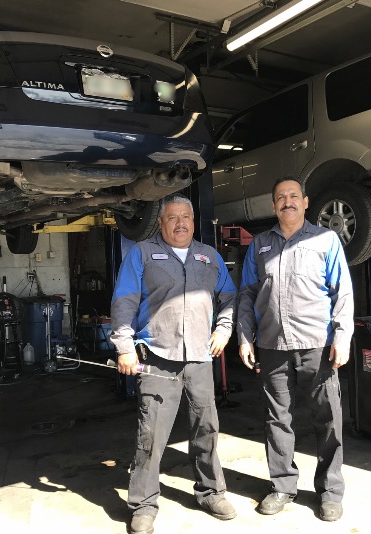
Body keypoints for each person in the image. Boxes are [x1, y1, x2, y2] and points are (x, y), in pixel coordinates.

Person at [111, 194, 238, 534]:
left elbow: (229, 295)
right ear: (160, 222)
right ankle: (143, 504)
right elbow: (124, 301)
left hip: (200, 356)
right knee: (151, 434)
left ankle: (211, 492)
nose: (180, 223)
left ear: (194, 222)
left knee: (206, 428)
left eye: (186, 217)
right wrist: (124, 347)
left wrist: (224, 329)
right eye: (173, 217)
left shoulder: (209, 256)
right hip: (157, 356)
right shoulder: (141, 253)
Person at [236, 176, 354, 522]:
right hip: (272, 344)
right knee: (277, 419)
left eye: (293, 196)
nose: (286, 202)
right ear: (274, 205)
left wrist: (342, 337)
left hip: (317, 344)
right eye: (280, 197)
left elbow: (342, 291)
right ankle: (282, 486)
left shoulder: (325, 239)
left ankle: (330, 491)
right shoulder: (259, 244)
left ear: (305, 202)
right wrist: (244, 336)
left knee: (327, 419)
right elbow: (247, 293)